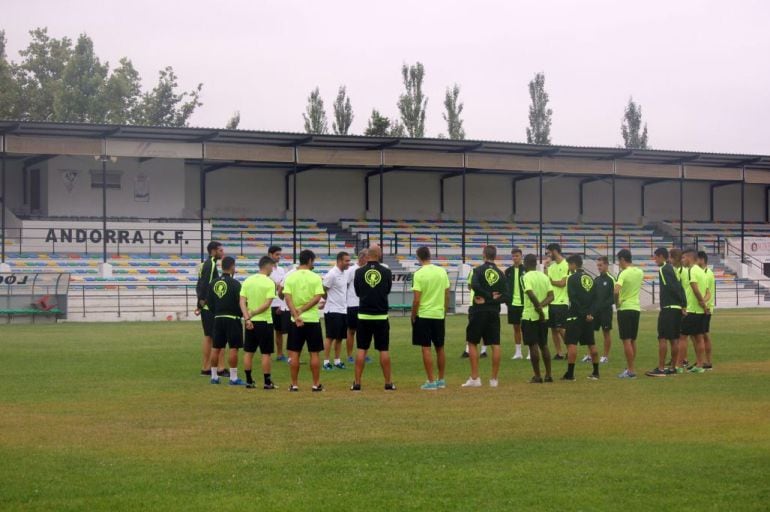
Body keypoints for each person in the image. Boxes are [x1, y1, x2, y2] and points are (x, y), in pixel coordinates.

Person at [352, 245, 395, 391]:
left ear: (368, 255)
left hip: (363, 315)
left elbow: (357, 292)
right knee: (383, 349)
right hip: (381, 315)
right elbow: (387, 290)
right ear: (379, 254)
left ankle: (357, 383)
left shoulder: (358, 272)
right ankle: (388, 383)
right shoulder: (387, 272)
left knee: (361, 349)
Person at [462, 245, 506, 388]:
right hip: (494, 311)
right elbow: (507, 295)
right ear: (495, 256)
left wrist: (486, 298)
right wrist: (493, 299)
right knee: (495, 344)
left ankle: (475, 378)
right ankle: (494, 379)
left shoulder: (478, 270)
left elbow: (474, 285)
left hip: (479, 310)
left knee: (472, 342)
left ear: (484, 255)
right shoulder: (501, 273)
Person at [283, 249, 326, 392]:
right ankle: (315, 384)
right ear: (309, 261)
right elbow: (317, 297)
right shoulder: (315, 277)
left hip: (296, 320)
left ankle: (294, 384)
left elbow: (287, 298)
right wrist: (303, 310)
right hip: (312, 319)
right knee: (314, 353)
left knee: (294, 353)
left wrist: (296, 314)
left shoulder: (291, 277)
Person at [411, 246, 451, 390]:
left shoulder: (419, 274)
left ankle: (431, 380)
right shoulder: (441, 271)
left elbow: (416, 299)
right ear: (430, 255)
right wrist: (444, 310)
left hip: (424, 314)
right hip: (438, 314)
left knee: (426, 348)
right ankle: (441, 379)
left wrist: (413, 314)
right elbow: (447, 294)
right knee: (440, 347)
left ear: (418, 257)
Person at [239, 256, 279, 389]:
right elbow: (267, 304)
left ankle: (249, 381)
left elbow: (242, 302)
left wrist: (247, 318)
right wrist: (253, 313)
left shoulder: (248, 280)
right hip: (264, 321)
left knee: (249, 352)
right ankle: (267, 382)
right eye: (272, 266)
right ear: (267, 266)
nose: (273, 269)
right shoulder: (269, 283)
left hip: (250, 322)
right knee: (266, 353)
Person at [645, 247, 686, 377]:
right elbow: (680, 287)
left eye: (656, 257)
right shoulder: (673, 269)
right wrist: (683, 304)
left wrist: (678, 301)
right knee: (674, 339)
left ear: (662, 256)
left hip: (668, 308)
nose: (655, 259)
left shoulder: (664, 269)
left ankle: (661, 369)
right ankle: (673, 368)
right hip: (677, 308)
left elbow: (672, 287)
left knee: (662, 338)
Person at [207, 256, 245, 386]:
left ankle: (214, 377)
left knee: (216, 347)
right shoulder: (235, 284)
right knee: (233, 348)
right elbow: (241, 303)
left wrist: (217, 312)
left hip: (217, 318)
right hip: (232, 319)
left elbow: (209, 303)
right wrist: (241, 314)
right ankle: (233, 378)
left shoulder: (213, 283)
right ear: (233, 266)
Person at [562, 254, 600, 381]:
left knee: (571, 343)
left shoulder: (572, 278)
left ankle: (570, 374)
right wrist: (591, 313)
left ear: (573, 264)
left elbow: (573, 298)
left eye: (569, 264)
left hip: (575, 316)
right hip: (589, 317)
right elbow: (595, 299)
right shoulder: (590, 278)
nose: (568, 267)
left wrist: (582, 313)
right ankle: (595, 372)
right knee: (591, 344)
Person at [520, 254, 554, 383]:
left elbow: (530, 293)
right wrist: (542, 307)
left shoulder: (525, 277)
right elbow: (551, 296)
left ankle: (538, 375)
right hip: (545, 316)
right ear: (536, 264)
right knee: (544, 344)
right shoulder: (544, 277)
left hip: (530, 315)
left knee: (533, 345)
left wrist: (538, 308)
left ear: (525, 263)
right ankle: (549, 375)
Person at [675, 249, 709, 374]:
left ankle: (678, 365)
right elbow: (707, 293)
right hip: (699, 311)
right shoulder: (702, 271)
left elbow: (695, 289)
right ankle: (700, 365)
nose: (682, 260)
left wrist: (701, 303)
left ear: (689, 258)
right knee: (699, 338)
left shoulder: (692, 271)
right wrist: (704, 304)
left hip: (692, 310)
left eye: (683, 258)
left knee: (683, 337)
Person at [195, 241, 226, 377]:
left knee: (208, 337)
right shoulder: (211, 264)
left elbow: (199, 285)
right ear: (213, 251)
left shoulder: (204, 264)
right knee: (218, 337)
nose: (222, 253)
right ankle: (220, 368)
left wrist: (200, 305)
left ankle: (206, 367)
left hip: (205, 307)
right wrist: (201, 304)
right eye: (220, 250)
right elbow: (206, 286)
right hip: (211, 307)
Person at [614, 249, 644, 379]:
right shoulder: (639, 272)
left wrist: (617, 304)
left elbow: (616, 291)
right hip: (636, 307)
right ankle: (631, 367)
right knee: (632, 340)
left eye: (618, 261)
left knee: (626, 340)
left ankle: (631, 370)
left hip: (625, 307)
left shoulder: (623, 273)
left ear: (622, 259)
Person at [322, 251, 351, 370]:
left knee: (339, 338)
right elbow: (323, 289)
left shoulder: (346, 273)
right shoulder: (331, 274)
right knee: (330, 337)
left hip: (343, 310)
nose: (349, 263)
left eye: (349, 260)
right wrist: (328, 300)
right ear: (339, 261)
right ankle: (326, 362)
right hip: (332, 310)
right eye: (346, 261)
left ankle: (337, 360)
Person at [586, 256, 615, 364]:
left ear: (606, 265)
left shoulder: (611, 279)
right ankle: (590, 354)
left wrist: (603, 305)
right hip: (595, 311)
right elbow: (593, 296)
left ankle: (605, 356)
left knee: (606, 332)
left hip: (606, 311)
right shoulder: (596, 280)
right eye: (598, 265)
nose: (599, 267)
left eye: (601, 265)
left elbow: (614, 297)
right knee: (590, 332)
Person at [545, 243, 569, 360]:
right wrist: (546, 266)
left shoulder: (565, 264)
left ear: (554, 251)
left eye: (548, 252)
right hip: (552, 301)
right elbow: (546, 280)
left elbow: (562, 283)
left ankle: (570, 349)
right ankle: (559, 353)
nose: (548, 255)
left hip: (562, 301)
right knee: (553, 329)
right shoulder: (551, 266)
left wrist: (551, 281)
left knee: (560, 328)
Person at [345, 249, 368, 364]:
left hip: (364, 304)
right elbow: (346, 285)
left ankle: (364, 354)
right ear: (361, 258)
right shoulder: (351, 270)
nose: (368, 260)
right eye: (367, 257)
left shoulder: (368, 270)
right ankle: (349, 355)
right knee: (351, 331)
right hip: (352, 304)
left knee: (364, 331)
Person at [505, 247, 527, 360]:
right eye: (513, 256)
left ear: (521, 257)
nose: (515, 258)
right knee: (516, 328)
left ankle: (529, 351)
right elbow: (505, 287)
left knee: (527, 328)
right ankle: (518, 352)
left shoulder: (527, 270)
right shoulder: (508, 271)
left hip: (525, 304)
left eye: (517, 256)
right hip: (513, 304)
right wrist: (507, 301)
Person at [268, 246, 289, 362]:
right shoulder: (266, 270)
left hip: (280, 303)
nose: (279, 257)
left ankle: (280, 354)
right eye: (277, 254)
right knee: (268, 331)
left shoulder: (281, 270)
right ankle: (267, 353)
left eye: (280, 254)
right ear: (270, 254)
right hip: (269, 304)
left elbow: (283, 286)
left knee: (280, 331)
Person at [698, 251, 715, 371]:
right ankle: (702, 360)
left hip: (706, 308)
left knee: (704, 334)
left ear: (702, 260)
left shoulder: (708, 273)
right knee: (701, 334)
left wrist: (703, 302)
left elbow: (708, 293)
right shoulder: (702, 272)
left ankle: (707, 361)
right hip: (703, 307)